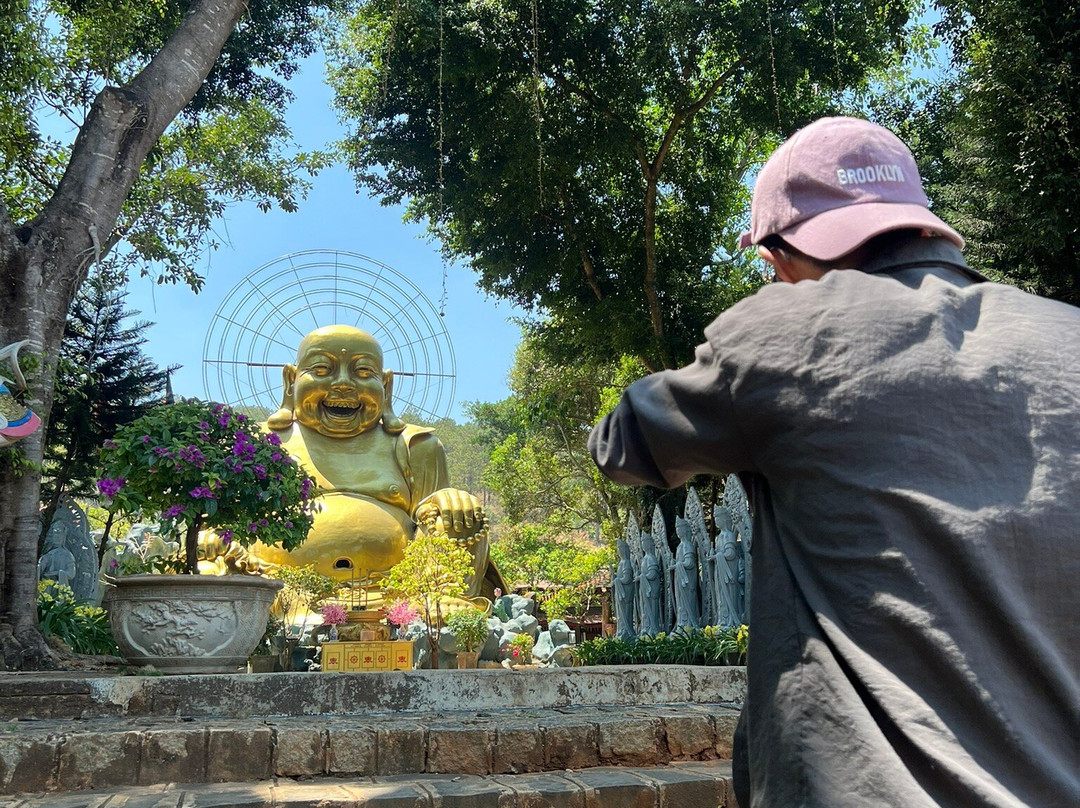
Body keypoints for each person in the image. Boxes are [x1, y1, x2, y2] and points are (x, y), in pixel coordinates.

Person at [589, 117, 1079, 808]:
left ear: (783, 255)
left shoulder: (787, 332)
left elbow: (617, 446)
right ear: (924, 224)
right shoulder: (1068, 335)